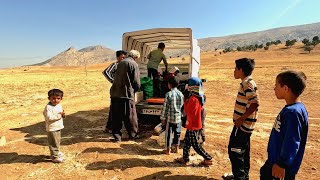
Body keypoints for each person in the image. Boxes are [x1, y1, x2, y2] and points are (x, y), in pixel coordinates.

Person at [260, 70, 308, 180]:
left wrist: (282, 164)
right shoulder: (294, 108)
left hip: (281, 168)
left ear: (285, 89)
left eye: (276, 85)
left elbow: (292, 141)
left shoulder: (293, 112)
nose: (274, 88)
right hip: (276, 163)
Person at [227, 58, 259, 180]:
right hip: (246, 126)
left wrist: (241, 119)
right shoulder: (247, 82)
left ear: (241, 70)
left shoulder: (247, 83)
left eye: (235, 69)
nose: (234, 71)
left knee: (234, 151)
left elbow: (255, 103)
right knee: (243, 151)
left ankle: (239, 177)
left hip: (242, 125)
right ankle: (243, 176)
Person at [175, 77, 213, 166]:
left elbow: (188, 111)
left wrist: (185, 100)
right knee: (187, 142)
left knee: (195, 144)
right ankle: (185, 158)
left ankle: (208, 158)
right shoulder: (197, 96)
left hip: (193, 124)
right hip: (192, 123)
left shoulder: (193, 99)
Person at [110, 50, 141, 142]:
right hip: (126, 94)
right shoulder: (133, 64)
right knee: (130, 116)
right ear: (135, 57)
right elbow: (136, 82)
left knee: (116, 116)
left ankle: (117, 137)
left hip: (114, 93)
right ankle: (133, 135)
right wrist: (135, 90)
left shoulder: (120, 63)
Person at [102, 50, 127, 133]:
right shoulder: (115, 65)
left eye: (124, 57)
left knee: (118, 109)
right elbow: (105, 72)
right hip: (116, 90)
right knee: (114, 109)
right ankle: (109, 127)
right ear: (117, 57)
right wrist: (113, 81)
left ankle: (111, 127)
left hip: (122, 90)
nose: (123, 59)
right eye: (122, 57)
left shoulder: (124, 65)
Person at [160, 76, 184, 155]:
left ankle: (168, 150)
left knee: (169, 134)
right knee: (177, 133)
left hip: (170, 119)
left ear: (169, 84)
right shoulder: (181, 94)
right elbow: (182, 106)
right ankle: (176, 148)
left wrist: (163, 118)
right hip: (178, 118)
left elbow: (165, 108)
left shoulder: (168, 94)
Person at [43, 89, 65, 163]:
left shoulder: (58, 105)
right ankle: (54, 157)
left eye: (58, 98)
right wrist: (59, 115)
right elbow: (49, 118)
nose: (55, 100)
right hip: (52, 128)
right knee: (53, 142)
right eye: (53, 98)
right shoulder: (48, 107)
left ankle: (56, 152)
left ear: (61, 98)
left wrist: (63, 115)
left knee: (57, 141)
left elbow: (60, 113)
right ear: (49, 98)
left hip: (58, 126)